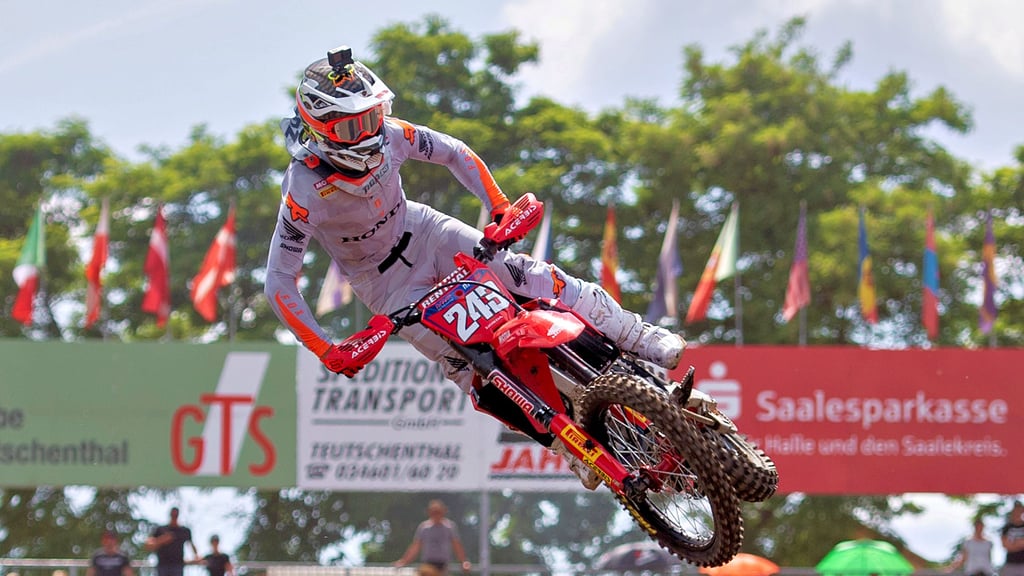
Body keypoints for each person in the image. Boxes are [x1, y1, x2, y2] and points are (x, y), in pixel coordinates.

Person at [263, 45, 686, 489]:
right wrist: (326, 348)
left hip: (427, 231)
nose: (370, 130)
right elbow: (278, 279)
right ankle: (569, 446)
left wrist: (499, 207)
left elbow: (453, 151)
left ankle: (639, 337)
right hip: (384, 285)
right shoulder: (304, 188)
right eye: (354, 125)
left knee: (534, 276)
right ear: (322, 130)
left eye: (372, 116)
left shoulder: (392, 134)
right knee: (472, 370)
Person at [393, 499, 471, 575]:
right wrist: (403, 561)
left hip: (443, 566)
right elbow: (415, 546)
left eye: (438, 512)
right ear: (429, 512)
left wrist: (463, 561)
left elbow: (456, 545)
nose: (436, 515)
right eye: (434, 512)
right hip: (428, 565)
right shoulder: (424, 527)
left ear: (444, 512)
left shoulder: (449, 527)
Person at [145, 507, 198, 576]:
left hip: (177, 565)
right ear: (170, 515)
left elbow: (191, 544)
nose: (174, 517)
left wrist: (196, 556)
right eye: (173, 515)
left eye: (176, 515)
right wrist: (162, 540)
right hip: (163, 565)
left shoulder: (184, 531)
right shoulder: (161, 529)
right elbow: (148, 545)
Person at [1002, 501, 1024, 576]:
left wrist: (1013, 543)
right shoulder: (1007, 527)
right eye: (1016, 509)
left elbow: (1010, 545)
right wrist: (1019, 543)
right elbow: (1006, 545)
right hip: (1010, 563)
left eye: (1019, 509)